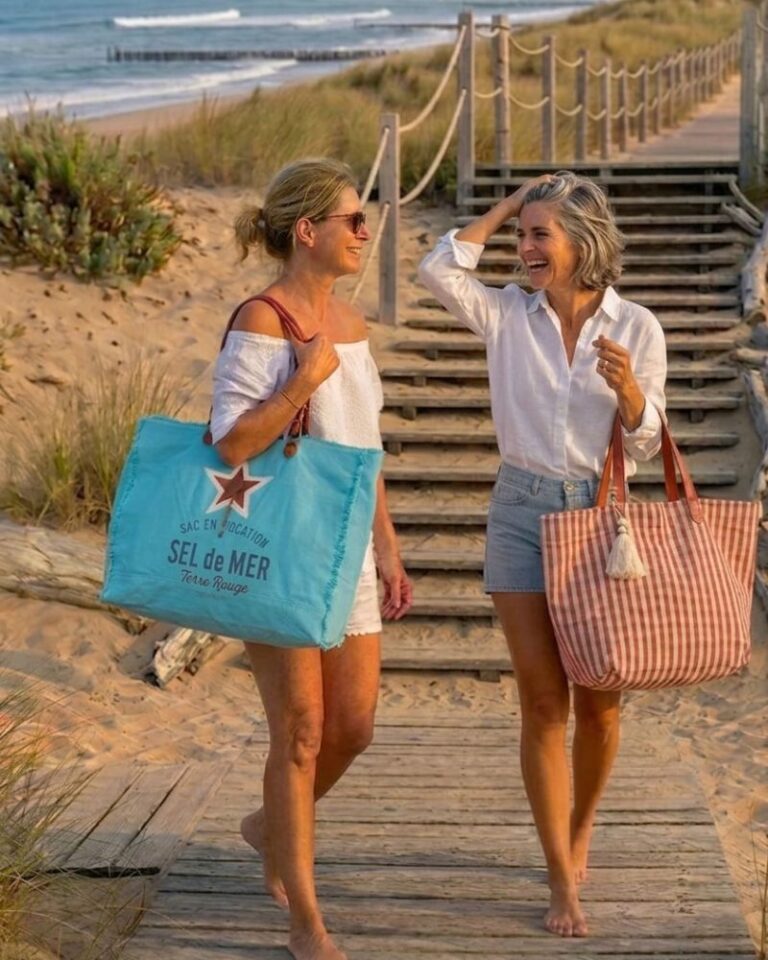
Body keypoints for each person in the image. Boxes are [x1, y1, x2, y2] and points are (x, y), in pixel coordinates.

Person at [418, 171, 667, 938]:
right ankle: (560, 873)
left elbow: (650, 444)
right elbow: (438, 268)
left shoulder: (638, 328)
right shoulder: (505, 315)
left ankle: (581, 825)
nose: (525, 248)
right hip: (521, 511)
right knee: (542, 702)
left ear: (583, 244)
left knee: (598, 702)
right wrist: (510, 204)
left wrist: (629, 394)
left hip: (600, 517)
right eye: (521, 235)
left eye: (539, 235)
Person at [210, 157, 413, 960]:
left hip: (348, 551)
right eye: (354, 221)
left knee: (352, 728)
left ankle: (267, 827)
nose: (366, 232)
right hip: (278, 547)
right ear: (308, 231)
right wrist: (301, 383)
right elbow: (230, 440)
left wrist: (389, 552)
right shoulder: (259, 322)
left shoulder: (355, 327)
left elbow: (367, 452)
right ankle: (306, 922)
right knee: (299, 733)